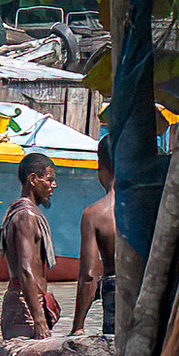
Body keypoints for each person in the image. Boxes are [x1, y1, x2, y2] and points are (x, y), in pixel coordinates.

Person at [0, 152, 61, 339]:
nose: (54, 185)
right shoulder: (26, 216)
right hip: (25, 305)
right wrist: (39, 320)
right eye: (49, 180)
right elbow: (26, 270)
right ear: (33, 179)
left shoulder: (24, 213)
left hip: (28, 302)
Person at [71, 137, 117, 336]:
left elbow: (88, 276)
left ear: (102, 169)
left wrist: (78, 327)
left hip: (116, 296)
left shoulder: (95, 214)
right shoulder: (150, 206)